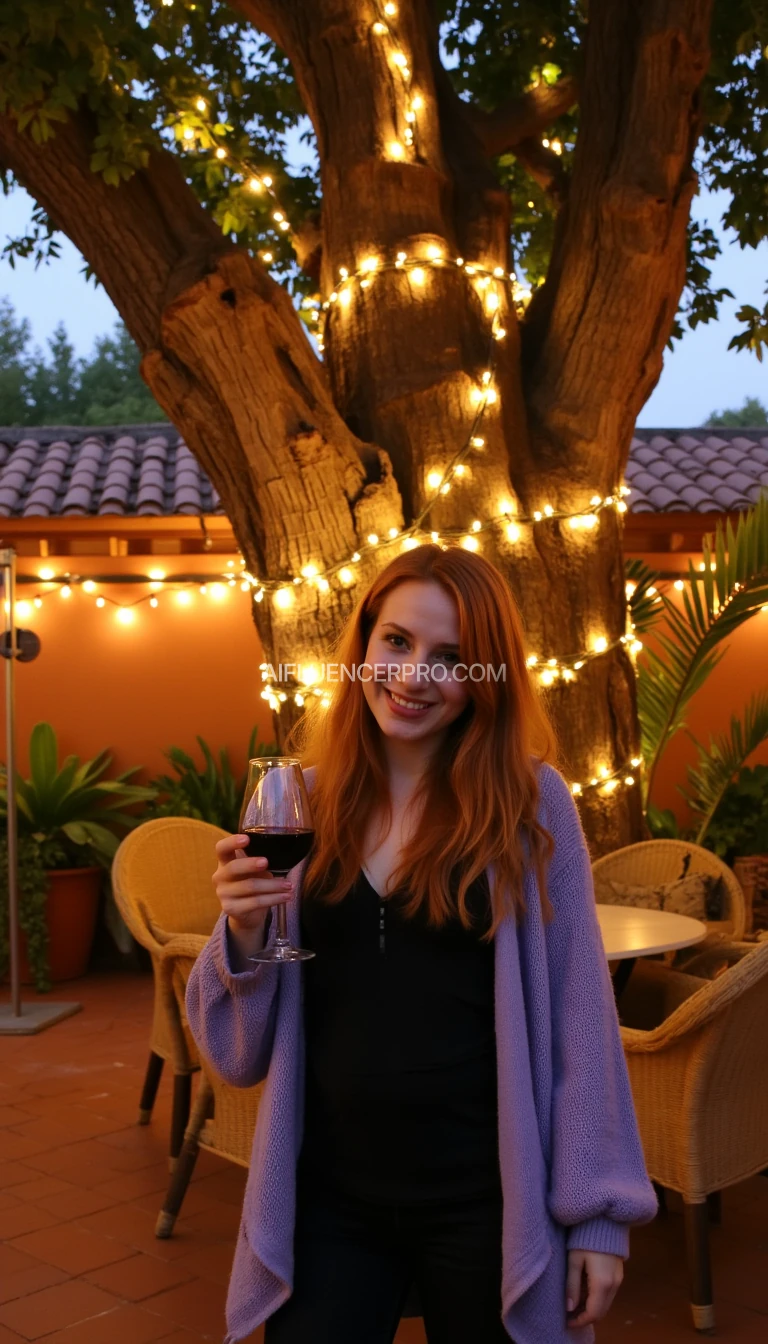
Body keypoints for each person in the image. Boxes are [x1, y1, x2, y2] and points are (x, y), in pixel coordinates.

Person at [186, 543, 657, 1344]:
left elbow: (583, 1018)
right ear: (364, 644)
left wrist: (597, 1219)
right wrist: (244, 928)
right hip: (328, 1197)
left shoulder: (530, 802)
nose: (413, 677)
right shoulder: (307, 799)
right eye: (397, 642)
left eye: (452, 658)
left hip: (489, 1199)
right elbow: (236, 1054)